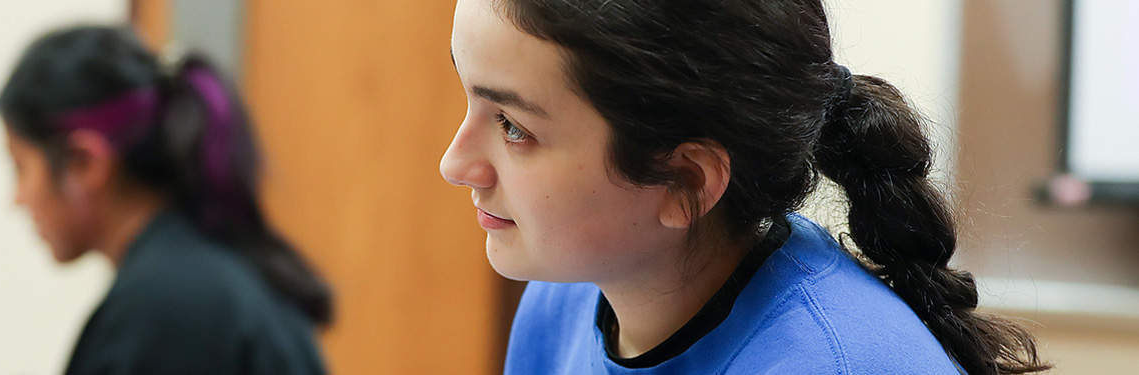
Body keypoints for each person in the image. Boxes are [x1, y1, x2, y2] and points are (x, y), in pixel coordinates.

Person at [438, 1, 1049, 374]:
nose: (454, 163)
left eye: (514, 127)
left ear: (687, 181)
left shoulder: (839, 363)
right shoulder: (564, 302)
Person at [0, 25, 331, 375]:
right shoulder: (201, 279)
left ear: (85, 164)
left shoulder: (166, 308)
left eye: (21, 168)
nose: (16, 200)